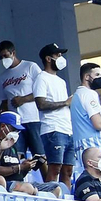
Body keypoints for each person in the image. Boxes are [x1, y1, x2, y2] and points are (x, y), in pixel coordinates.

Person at [0, 41, 45, 160]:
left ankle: (48, 179)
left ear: (13, 53)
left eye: (5, 55)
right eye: (0, 57)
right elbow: (4, 101)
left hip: (33, 118)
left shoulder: (30, 67)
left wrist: (23, 99)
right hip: (15, 123)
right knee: (17, 156)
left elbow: (43, 91)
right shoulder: (2, 77)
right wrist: (1, 112)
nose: (3, 59)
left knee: (40, 156)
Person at [32, 44, 73, 186]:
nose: (61, 58)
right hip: (52, 129)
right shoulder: (41, 78)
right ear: (48, 59)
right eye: (58, 55)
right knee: (54, 169)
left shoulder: (61, 81)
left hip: (67, 129)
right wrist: (65, 103)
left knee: (68, 170)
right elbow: (41, 104)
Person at [0, 113, 44, 194]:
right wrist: (20, 167)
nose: (16, 133)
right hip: (4, 183)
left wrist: (26, 168)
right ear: (3, 126)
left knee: (55, 188)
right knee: (28, 188)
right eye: (14, 129)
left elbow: (18, 174)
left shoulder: (13, 146)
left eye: (18, 131)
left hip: (19, 182)